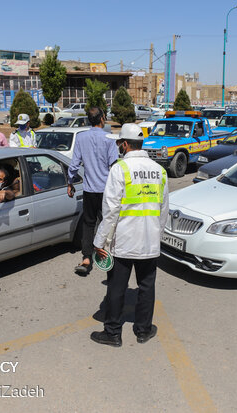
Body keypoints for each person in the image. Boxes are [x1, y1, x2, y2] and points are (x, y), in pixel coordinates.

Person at [91, 123, 169, 347]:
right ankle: (143, 330)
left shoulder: (120, 169)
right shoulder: (160, 171)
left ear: (125, 144)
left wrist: (100, 242)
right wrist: (157, 236)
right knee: (146, 286)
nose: (118, 147)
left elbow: (110, 211)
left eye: (119, 143)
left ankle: (113, 333)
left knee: (116, 287)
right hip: (149, 241)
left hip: (124, 241)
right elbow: (163, 210)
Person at [67, 107, 118, 275]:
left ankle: (86, 258)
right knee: (108, 223)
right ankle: (107, 255)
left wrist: (70, 182)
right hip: (106, 190)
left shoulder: (81, 137)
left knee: (88, 224)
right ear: (102, 118)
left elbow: (74, 164)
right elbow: (114, 166)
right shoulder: (110, 138)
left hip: (89, 190)